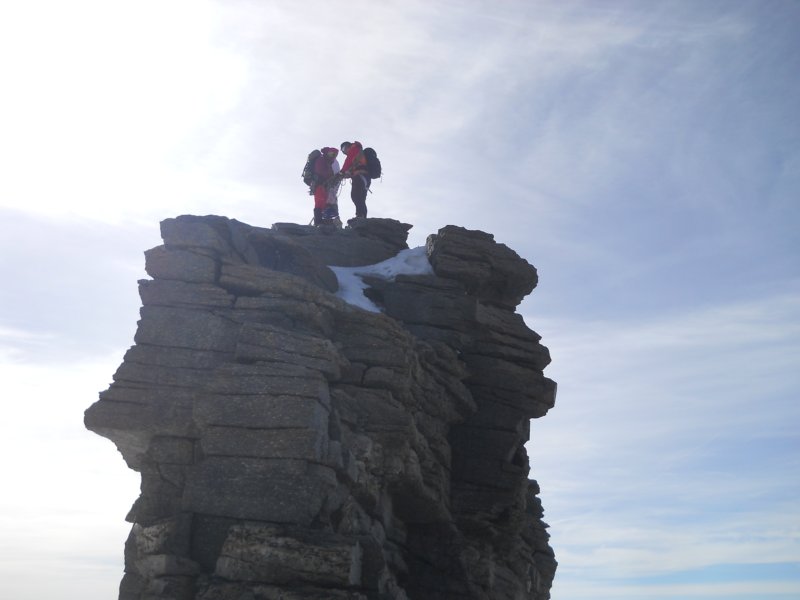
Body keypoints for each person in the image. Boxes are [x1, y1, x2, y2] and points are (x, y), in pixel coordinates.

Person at [340, 141, 370, 219]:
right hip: (364, 177)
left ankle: (360, 216)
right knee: (361, 197)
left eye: (343, 149)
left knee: (355, 196)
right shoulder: (358, 150)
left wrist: (342, 172)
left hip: (359, 176)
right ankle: (362, 216)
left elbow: (348, 162)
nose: (344, 151)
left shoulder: (354, 149)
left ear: (348, 146)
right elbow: (353, 165)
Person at [312, 147, 339, 226]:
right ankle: (318, 221)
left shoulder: (328, 161)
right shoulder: (321, 159)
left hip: (324, 185)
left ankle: (321, 221)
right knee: (320, 202)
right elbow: (320, 171)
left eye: (335, 154)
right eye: (331, 153)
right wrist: (330, 177)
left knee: (322, 202)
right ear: (327, 153)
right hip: (320, 184)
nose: (333, 156)